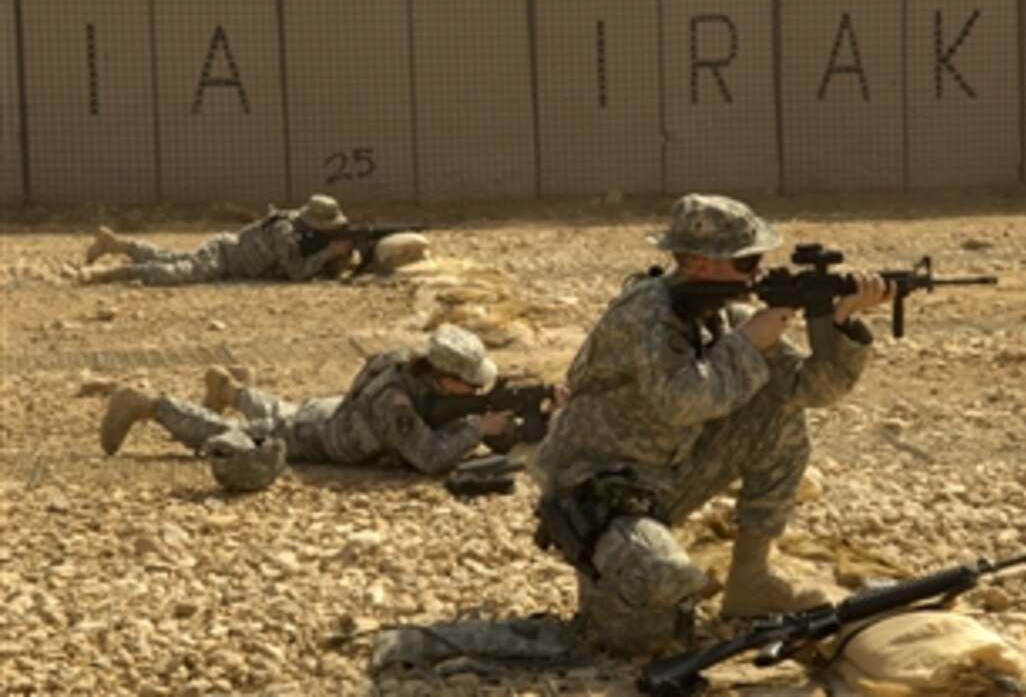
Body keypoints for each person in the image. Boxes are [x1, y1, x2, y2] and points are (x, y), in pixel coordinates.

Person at [531, 193, 895, 656]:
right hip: (597, 496)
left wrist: (841, 324)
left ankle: (750, 578)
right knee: (641, 639)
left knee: (778, 411)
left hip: (664, 478)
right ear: (702, 265)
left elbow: (808, 390)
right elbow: (681, 402)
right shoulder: (646, 313)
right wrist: (747, 343)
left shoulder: (726, 311)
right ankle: (623, 565)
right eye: (747, 263)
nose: (759, 273)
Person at [97, 324, 514, 491]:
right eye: (469, 383)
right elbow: (428, 458)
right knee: (244, 436)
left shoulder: (405, 363)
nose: (474, 388)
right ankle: (149, 405)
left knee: (286, 412)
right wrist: (479, 428)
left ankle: (229, 390)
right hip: (321, 437)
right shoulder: (397, 402)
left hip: (333, 412)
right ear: (443, 378)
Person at [79, 193, 429, 286]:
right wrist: (329, 254)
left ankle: (115, 244)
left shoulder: (303, 228)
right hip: (225, 258)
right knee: (178, 272)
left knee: (171, 257)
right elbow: (296, 273)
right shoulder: (286, 232)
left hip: (226, 250)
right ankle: (108, 276)